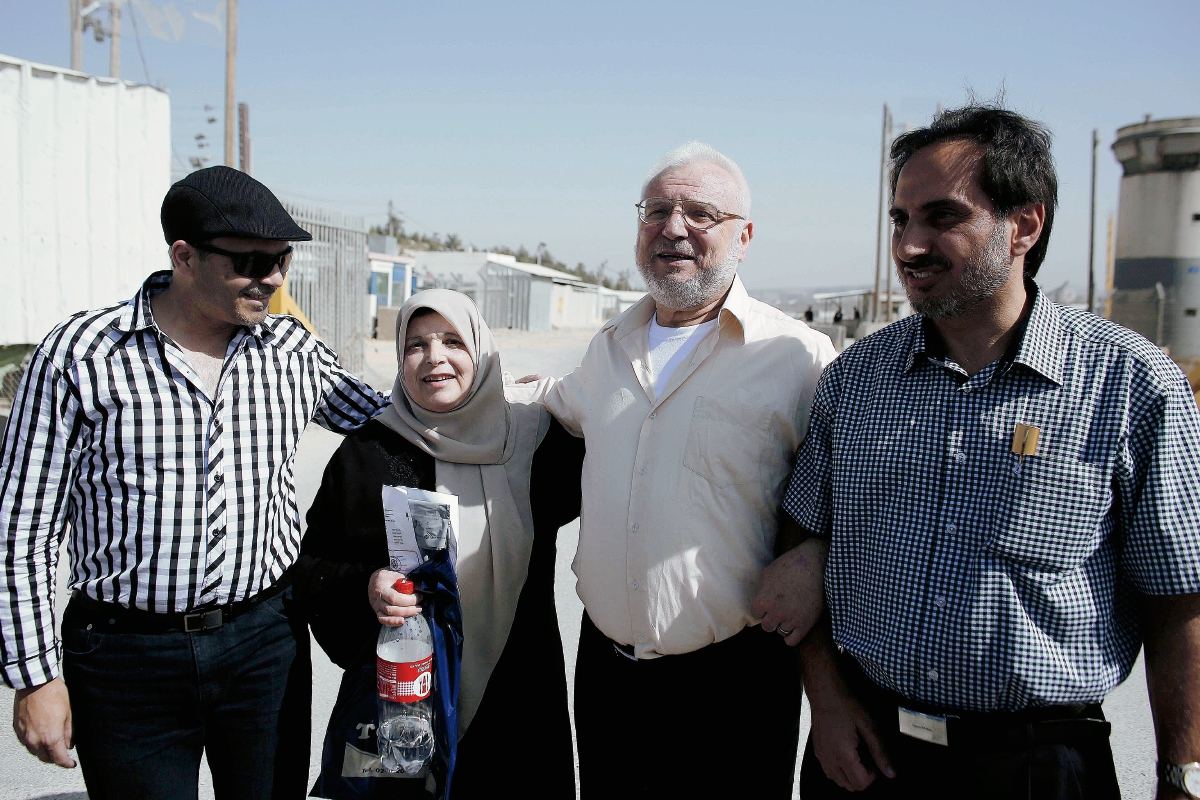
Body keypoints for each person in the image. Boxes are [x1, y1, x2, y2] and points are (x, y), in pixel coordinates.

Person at [753, 104, 1200, 799]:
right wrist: (828, 701)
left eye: (942, 217)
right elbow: (803, 536)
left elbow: (1179, 599)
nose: (907, 245)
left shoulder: (1132, 388)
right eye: (900, 220)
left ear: (1025, 225)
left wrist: (1183, 776)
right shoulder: (855, 381)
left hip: (1037, 767)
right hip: (865, 753)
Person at [0, 166, 390, 799]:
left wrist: (501, 406)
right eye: (250, 262)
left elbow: (388, 420)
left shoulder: (289, 350)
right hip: (125, 660)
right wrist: (36, 677)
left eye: (281, 261)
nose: (272, 280)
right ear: (183, 256)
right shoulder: (81, 356)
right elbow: (21, 526)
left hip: (266, 645)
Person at [536, 141, 836, 797]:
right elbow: (546, 401)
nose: (673, 228)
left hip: (734, 685)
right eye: (656, 211)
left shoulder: (799, 358)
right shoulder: (607, 348)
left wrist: (814, 556)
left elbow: (845, 492)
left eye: (700, 212)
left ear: (744, 236)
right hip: (608, 676)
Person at [295, 290, 582, 798]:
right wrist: (367, 587)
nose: (435, 358)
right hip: (406, 700)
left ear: (482, 352)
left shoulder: (537, 442)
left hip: (517, 695)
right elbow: (312, 565)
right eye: (416, 345)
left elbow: (625, 469)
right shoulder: (369, 452)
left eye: (453, 341)